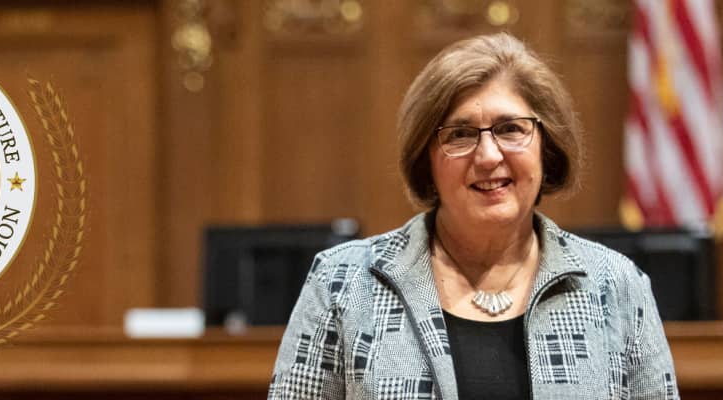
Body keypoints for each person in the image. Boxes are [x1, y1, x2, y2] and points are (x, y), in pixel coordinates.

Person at [267, 33, 678, 399]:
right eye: (460, 134)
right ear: (426, 159)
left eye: (510, 129)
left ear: (547, 146)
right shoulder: (343, 284)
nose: (488, 156)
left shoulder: (616, 286)